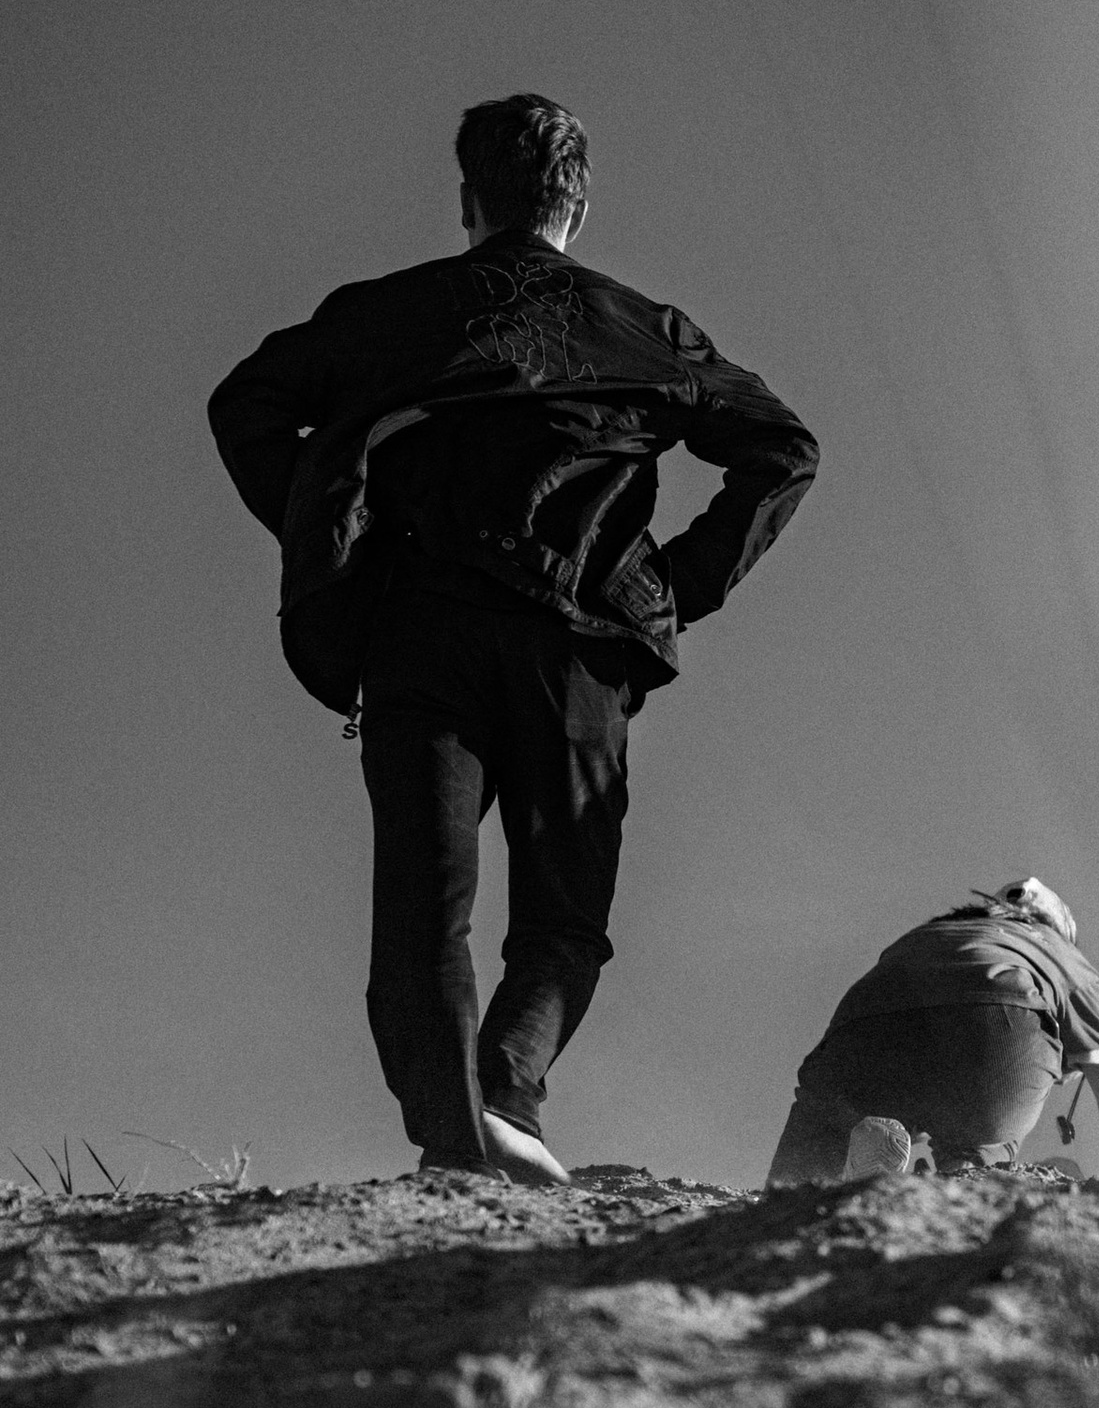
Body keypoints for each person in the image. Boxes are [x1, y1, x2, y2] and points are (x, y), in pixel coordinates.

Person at [209, 94, 817, 1184]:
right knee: (565, 915)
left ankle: (455, 1139)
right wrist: (672, 587)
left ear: (468, 199)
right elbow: (783, 450)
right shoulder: (649, 328)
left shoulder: (383, 314)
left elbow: (244, 403)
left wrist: (328, 533)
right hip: (580, 649)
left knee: (421, 907)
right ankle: (509, 1097)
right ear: (575, 204)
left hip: (421, 634)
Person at [765, 878, 1099, 1182]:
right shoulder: (1064, 956)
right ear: (1059, 930)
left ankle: (817, 1185)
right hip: (994, 1029)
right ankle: (964, 1178)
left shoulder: (932, 933)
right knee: (980, 1137)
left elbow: (922, 1024)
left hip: (861, 1030)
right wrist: (1067, 1061)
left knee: (815, 1151)